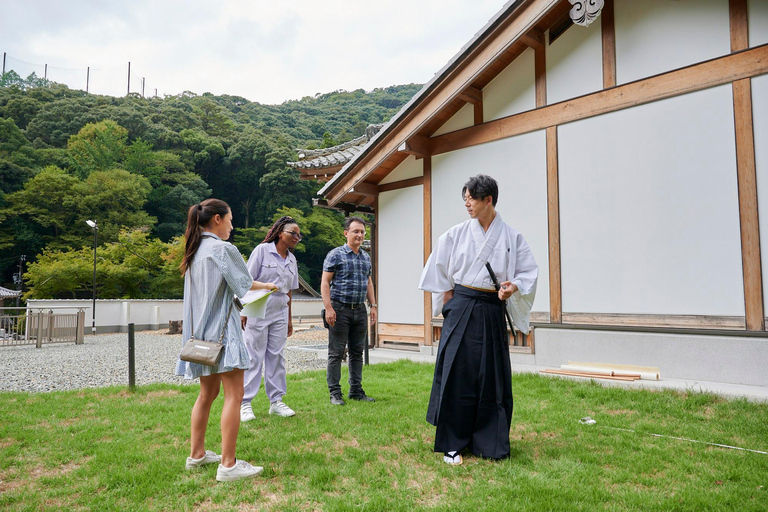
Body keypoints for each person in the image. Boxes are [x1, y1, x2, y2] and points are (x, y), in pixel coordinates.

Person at [419, 174, 538, 465]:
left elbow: (527, 272)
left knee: (492, 376)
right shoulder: (455, 234)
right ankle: (453, 443)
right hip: (462, 307)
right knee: (458, 374)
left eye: (472, 198)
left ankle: (490, 442)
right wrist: (449, 307)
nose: (467, 204)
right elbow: (440, 272)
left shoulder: (512, 236)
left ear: (488, 200)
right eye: (465, 198)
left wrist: (513, 286)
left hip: (491, 308)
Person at [174, 198, 276, 482]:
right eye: (230, 220)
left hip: (200, 339)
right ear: (217, 219)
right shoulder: (223, 249)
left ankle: (196, 455)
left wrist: (261, 284)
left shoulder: (194, 251)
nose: (232, 226)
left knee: (206, 395)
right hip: (224, 335)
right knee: (235, 395)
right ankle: (228, 465)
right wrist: (267, 286)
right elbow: (243, 285)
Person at [240, 216, 301, 421]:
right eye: (293, 233)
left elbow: (289, 292)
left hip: (280, 310)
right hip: (259, 305)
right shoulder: (262, 250)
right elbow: (246, 281)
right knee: (253, 355)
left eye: (298, 235)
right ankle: (245, 403)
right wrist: (243, 310)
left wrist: (290, 319)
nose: (296, 237)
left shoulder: (292, 260)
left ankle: (276, 401)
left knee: (276, 356)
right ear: (280, 232)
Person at [321, 216, 377, 405]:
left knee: (357, 352)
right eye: (356, 231)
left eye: (362, 232)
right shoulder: (335, 255)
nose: (359, 235)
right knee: (336, 353)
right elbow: (325, 282)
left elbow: (369, 282)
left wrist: (373, 305)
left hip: (359, 310)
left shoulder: (365, 257)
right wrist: (328, 308)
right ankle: (335, 393)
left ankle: (356, 390)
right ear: (346, 233)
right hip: (339, 309)